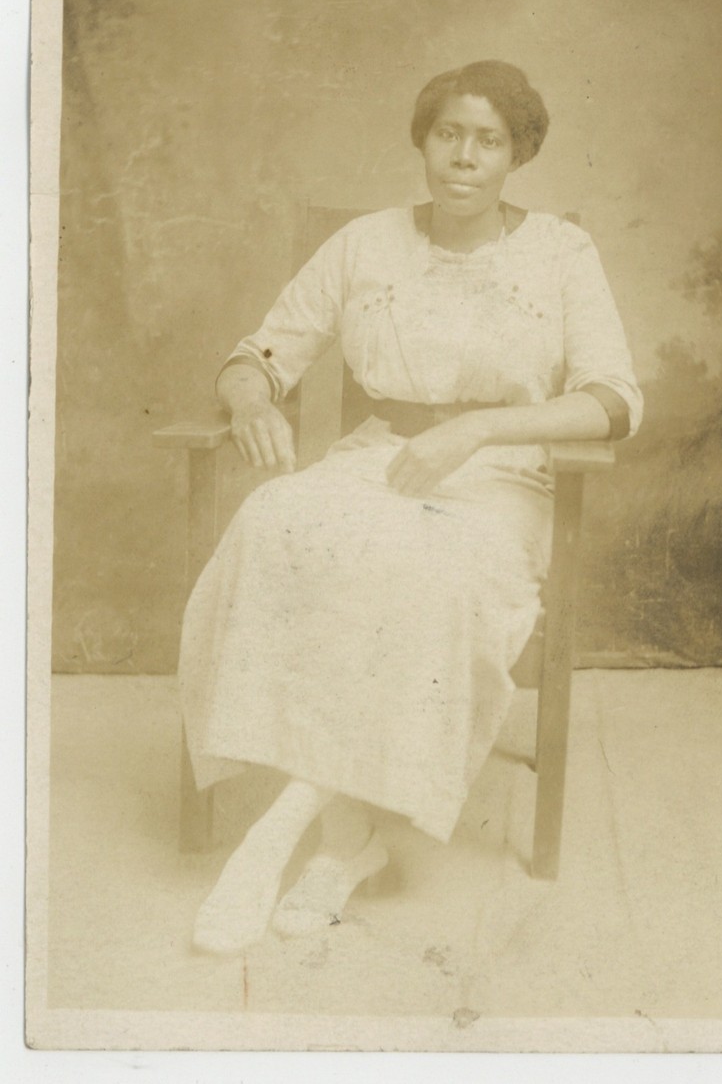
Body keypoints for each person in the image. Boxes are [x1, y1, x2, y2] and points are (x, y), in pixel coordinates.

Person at [179, 60, 643, 954]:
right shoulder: (365, 243)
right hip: (375, 463)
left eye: (489, 140)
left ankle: (273, 839)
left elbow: (615, 400)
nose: (464, 157)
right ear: (423, 140)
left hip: (502, 479)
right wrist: (249, 400)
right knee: (272, 524)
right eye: (448, 134)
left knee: (424, 571)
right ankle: (347, 847)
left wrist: (477, 432)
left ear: (520, 154)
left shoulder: (558, 252)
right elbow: (257, 354)